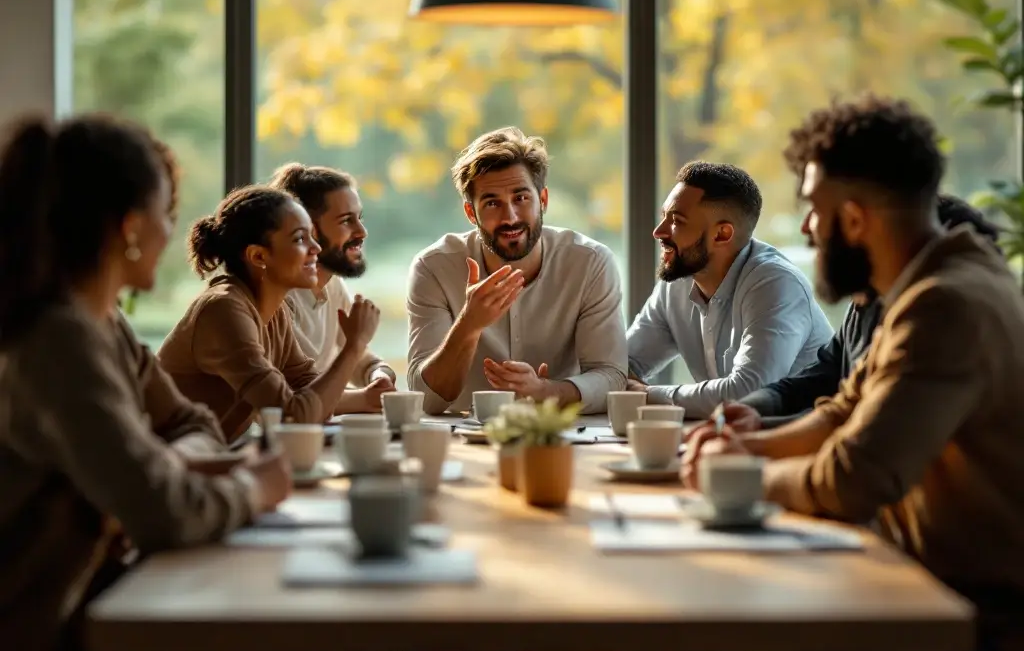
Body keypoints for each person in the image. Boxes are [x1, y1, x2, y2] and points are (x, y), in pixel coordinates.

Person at [672, 96, 1024, 651]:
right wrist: (746, 444)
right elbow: (843, 410)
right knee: (713, 627)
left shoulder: (946, 305)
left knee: (727, 641)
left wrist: (740, 474)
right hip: (911, 585)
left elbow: (853, 480)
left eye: (814, 208)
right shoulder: (930, 284)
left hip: (974, 623)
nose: (807, 229)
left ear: (856, 218)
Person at [0, 114, 318, 651]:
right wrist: (250, 487)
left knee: (297, 639)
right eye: (167, 214)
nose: (174, 232)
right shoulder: (57, 341)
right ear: (129, 227)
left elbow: (191, 423)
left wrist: (165, 465)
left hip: (97, 600)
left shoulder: (105, 324)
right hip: (42, 639)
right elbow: (162, 511)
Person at [407, 126, 627, 415]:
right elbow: (426, 399)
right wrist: (469, 324)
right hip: (463, 439)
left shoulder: (590, 263)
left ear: (543, 200)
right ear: (471, 213)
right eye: (492, 203)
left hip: (561, 433)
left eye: (521, 198)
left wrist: (544, 391)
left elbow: (612, 378)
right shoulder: (434, 267)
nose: (509, 217)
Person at [736, 194, 1003, 426]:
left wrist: (756, 429)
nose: (806, 227)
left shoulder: (932, 318)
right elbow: (825, 380)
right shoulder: (865, 302)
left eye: (817, 210)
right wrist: (755, 407)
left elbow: (861, 427)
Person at [157, 185, 380, 443]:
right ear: (259, 256)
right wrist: (354, 346)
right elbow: (293, 417)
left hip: (208, 457)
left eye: (312, 236)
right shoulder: (224, 311)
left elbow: (314, 396)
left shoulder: (275, 312)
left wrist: (364, 393)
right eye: (299, 239)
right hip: (165, 466)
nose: (316, 248)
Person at [625, 161, 833, 419]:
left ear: (722, 234)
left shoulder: (775, 283)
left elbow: (747, 393)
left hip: (797, 443)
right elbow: (620, 366)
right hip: (732, 440)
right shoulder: (678, 282)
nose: (659, 232)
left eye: (676, 221)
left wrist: (648, 395)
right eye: (663, 216)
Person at [270, 162, 396, 412]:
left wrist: (378, 374)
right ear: (308, 231)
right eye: (346, 221)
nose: (362, 232)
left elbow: (358, 358)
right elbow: (293, 401)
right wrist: (367, 398)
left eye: (359, 218)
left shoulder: (331, 284)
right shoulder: (277, 298)